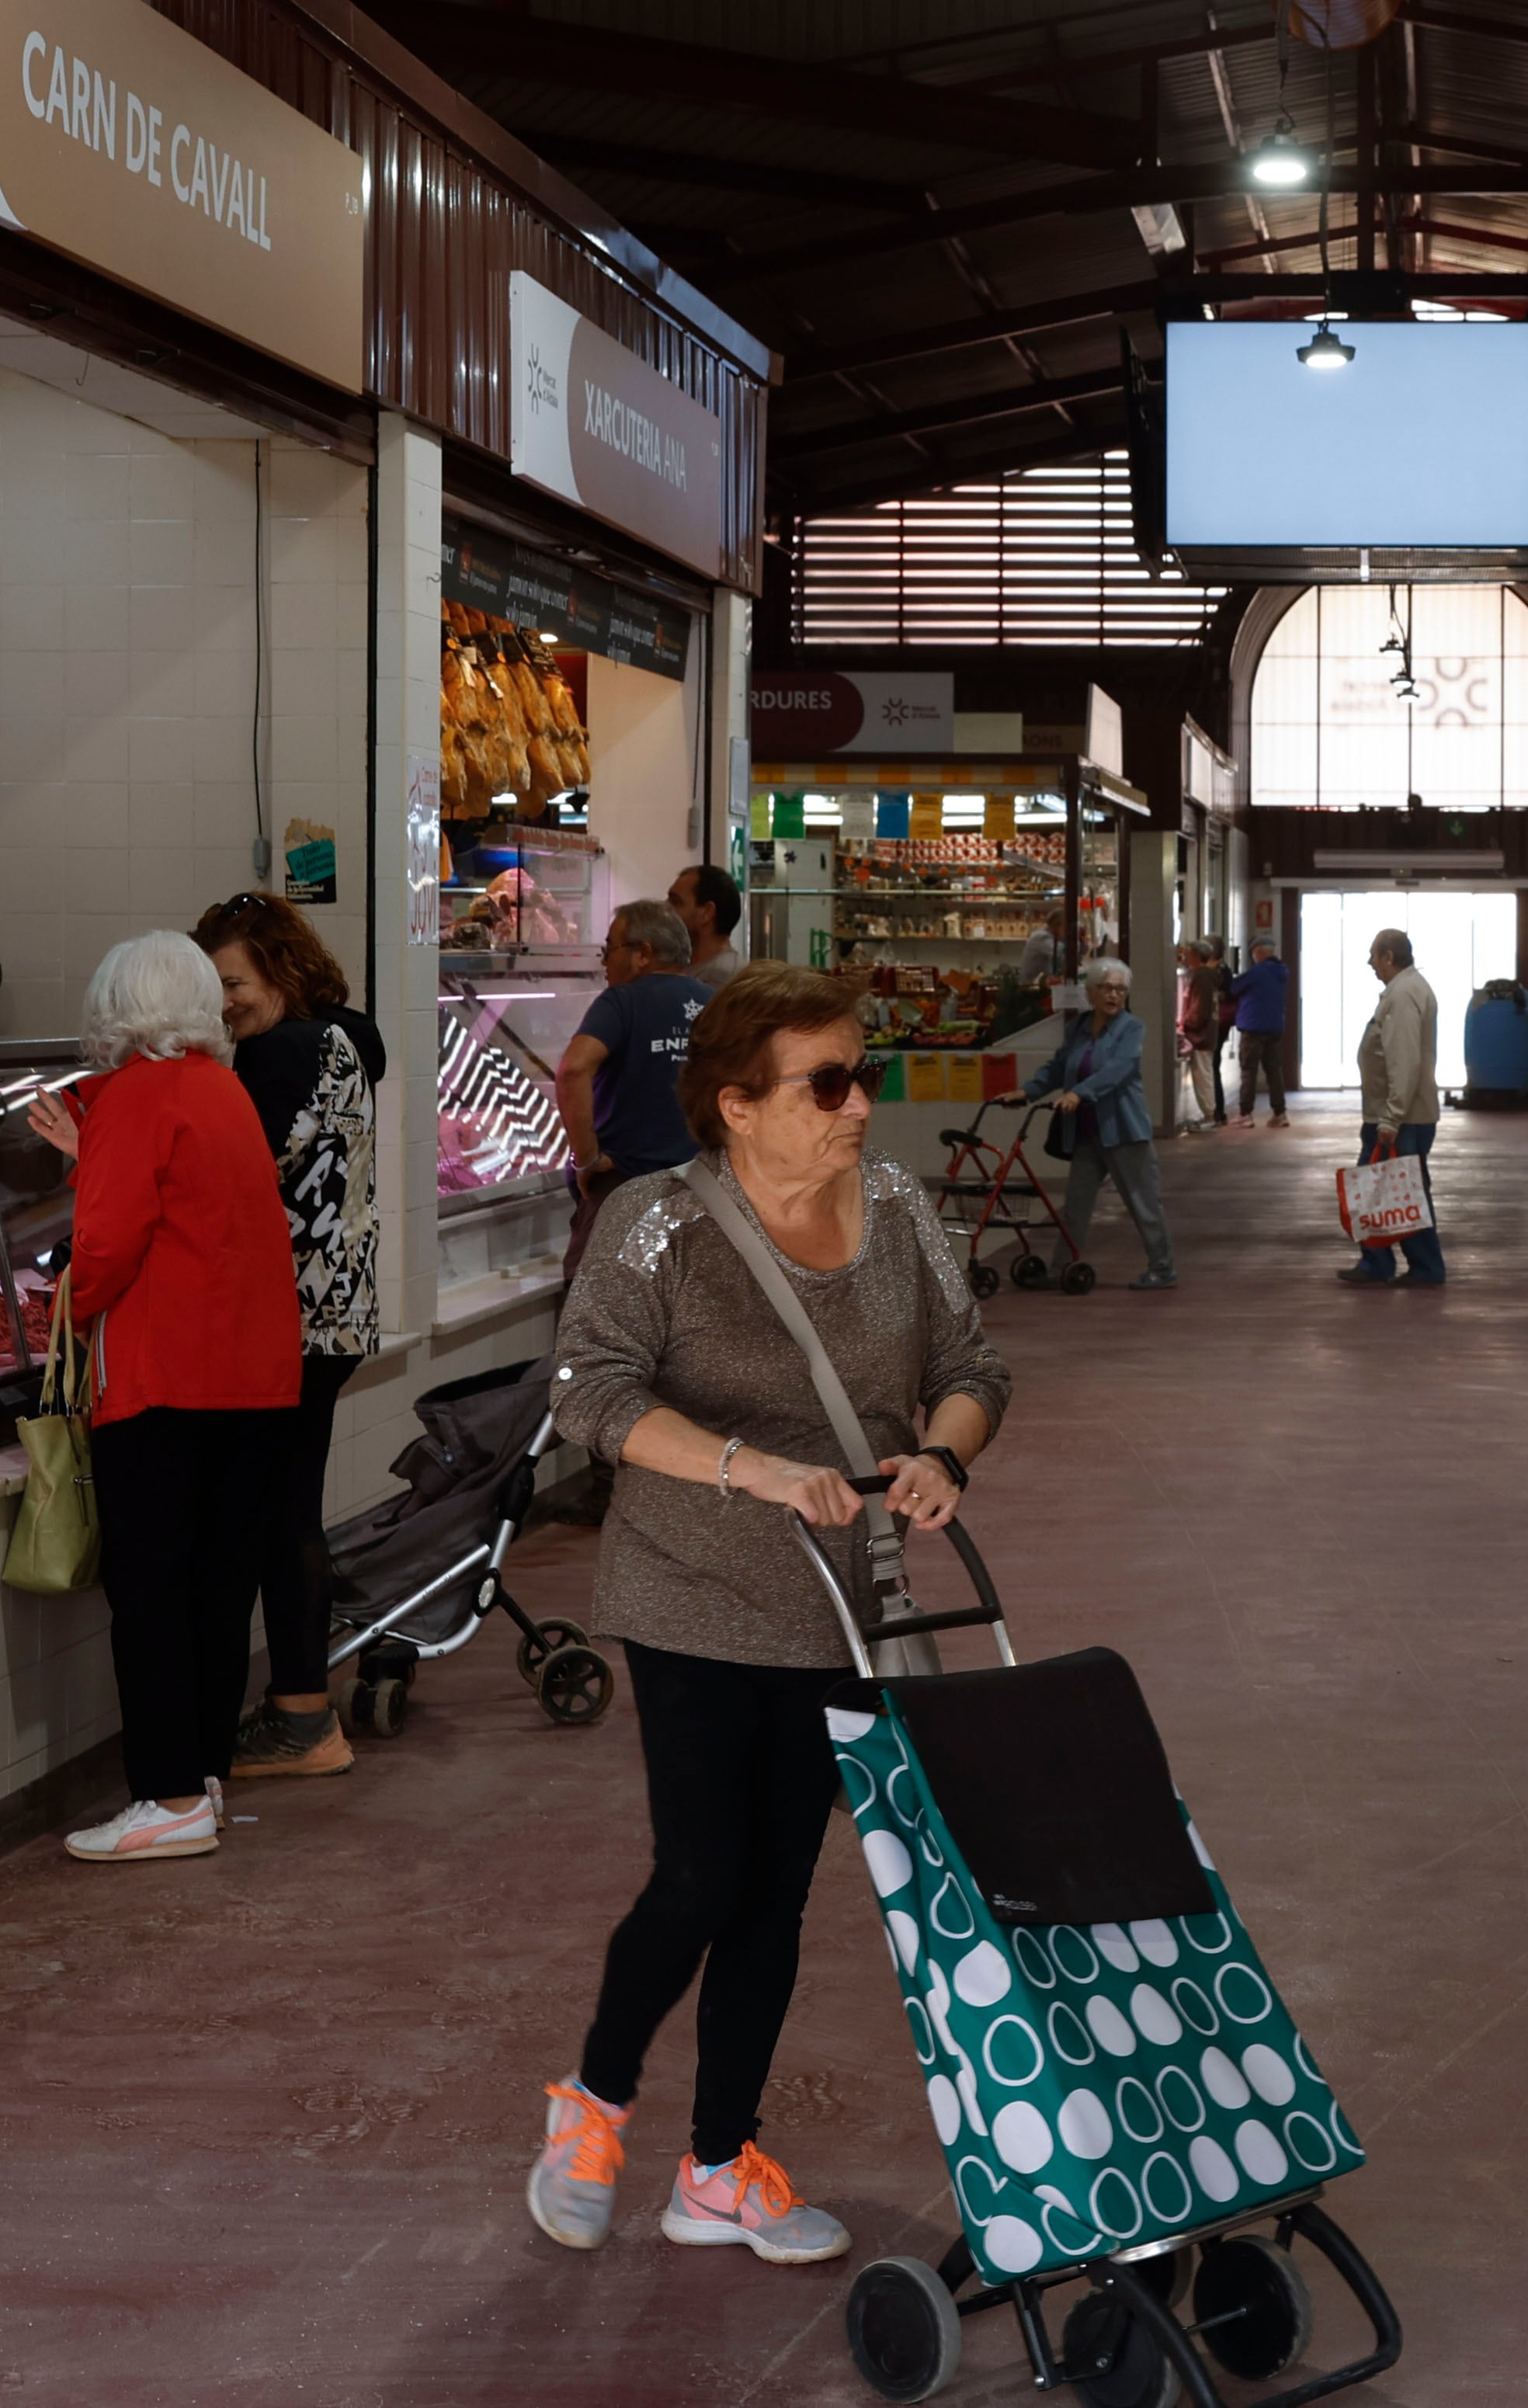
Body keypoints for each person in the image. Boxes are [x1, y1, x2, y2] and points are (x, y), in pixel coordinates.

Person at [525, 964, 1009, 2267]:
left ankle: (719, 2167)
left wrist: (943, 1458)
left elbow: (971, 1365)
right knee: (699, 1875)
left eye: (867, 1075)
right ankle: (596, 2102)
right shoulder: (649, 1222)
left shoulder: (901, 1209)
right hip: (689, 1586)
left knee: (775, 1898)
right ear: (737, 1105)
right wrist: (746, 1468)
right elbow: (590, 1389)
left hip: (841, 1610)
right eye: (829, 1082)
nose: (861, 1105)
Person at [24, 931, 303, 1862]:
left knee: (149, 1594)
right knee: (219, 1592)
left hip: (163, 1383)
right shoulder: (218, 1088)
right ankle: (205, 1779)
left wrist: (66, 1306)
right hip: (252, 1379)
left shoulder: (136, 1094)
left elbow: (104, 1247)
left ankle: (167, 1794)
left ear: (113, 1002)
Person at [192, 890, 386, 1781]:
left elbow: (239, 1176)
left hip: (289, 1318)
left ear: (279, 968)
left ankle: (304, 1717)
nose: (223, 999)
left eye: (233, 980)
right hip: (338, 1308)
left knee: (280, 1519)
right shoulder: (344, 1036)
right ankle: (301, 1708)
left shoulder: (274, 1055)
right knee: (290, 1510)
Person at [559, 899, 707, 1270]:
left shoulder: (623, 1001)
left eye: (611, 949)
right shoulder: (715, 1003)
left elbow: (573, 1070)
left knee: (598, 1310)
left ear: (643, 953)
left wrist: (586, 1158)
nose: (605, 962)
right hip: (704, 1190)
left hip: (625, 1188)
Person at [1021, 955, 1176, 1289]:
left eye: (1121, 990)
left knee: (1143, 1203)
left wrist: (1079, 1093)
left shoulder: (1131, 1028)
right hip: (1087, 1133)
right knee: (1076, 1205)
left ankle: (1162, 1268)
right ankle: (1061, 1267)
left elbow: (1119, 1069)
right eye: (1107, 988)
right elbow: (1059, 1066)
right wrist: (1026, 1092)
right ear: (1091, 992)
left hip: (1123, 1130)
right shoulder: (1077, 1027)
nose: (1114, 996)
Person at [1340, 926, 1445, 1286]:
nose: (1369, 962)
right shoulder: (1405, 990)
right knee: (1401, 1187)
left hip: (1401, 1117)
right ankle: (1401, 1263)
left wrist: (1391, 1117)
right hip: (1400, 1113)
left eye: (1374, 955)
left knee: (1392, 1188)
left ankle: (1396, 1264)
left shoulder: (1403, 995)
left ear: (1389, 957)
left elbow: (1403, 1060)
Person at [1230, 938, 1292, 1126]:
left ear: (1258, 953)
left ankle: (1245, 1114)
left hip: (1253, 1028)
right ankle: (1280, 1114)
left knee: (1249, 1071)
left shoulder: (1257, 972)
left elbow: (1233, 988)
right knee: (1274, 1071)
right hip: (1274, 1028)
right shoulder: (1283, 971)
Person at [1175, 941, 1229, 1131]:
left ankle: (1209, 1115)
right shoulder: (1210, 976)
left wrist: (1186, 1022)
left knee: (1203, 1076)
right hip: (1208, 1033)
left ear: (1197, 956)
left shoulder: (1202, 977)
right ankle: (1209, 1113)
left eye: (1190, 954)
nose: (1187, 958)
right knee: (1205, 1074)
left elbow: (1200, 1008)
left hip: (1201, 1035)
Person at [670, 863, 748, 992]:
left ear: (707, 913)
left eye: (675, 902)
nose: (665, 910)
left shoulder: (721, 978)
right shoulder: (691, 969)